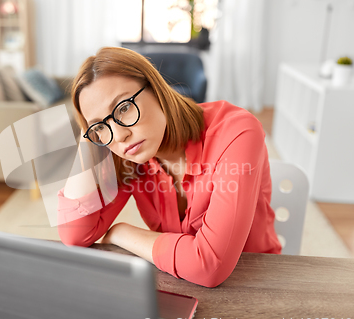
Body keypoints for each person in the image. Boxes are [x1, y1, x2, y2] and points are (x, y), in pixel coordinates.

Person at [57, 47, 281, 288]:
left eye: (123, 107)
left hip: (254, 284)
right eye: (101, 126)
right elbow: (75, 234)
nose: (120, 135)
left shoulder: (237, 131)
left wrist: (120, 232)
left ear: (157, 89)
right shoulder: (128, 154)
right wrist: (87, 135)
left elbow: (209, 266)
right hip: (176, 281)